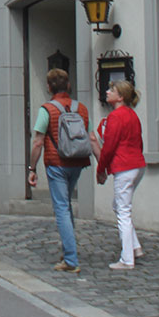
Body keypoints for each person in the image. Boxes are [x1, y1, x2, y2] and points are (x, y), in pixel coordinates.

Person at [27, 68, 92, 274]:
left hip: (56, 164)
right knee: (66, 206)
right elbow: (89, 137)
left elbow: (38, 142)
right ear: (69, 85)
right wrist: (101, 164)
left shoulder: (46, 109)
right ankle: (67, 251)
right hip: (77, 162)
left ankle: (71, 259)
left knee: (61, 207)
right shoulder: (81, 109)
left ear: (49, 87)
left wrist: (32, 168)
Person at [95, 79, 145, 271]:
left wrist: (101, 170)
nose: (107, 92)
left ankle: (127, 259)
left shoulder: (116, 117)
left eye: (111, 90)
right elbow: (138, 142)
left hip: (124, 166)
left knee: (123, 211)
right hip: (137, 165)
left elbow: (109, 147)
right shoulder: (132, 115)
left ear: (120, 96)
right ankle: (135, 247)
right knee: (119, 205)